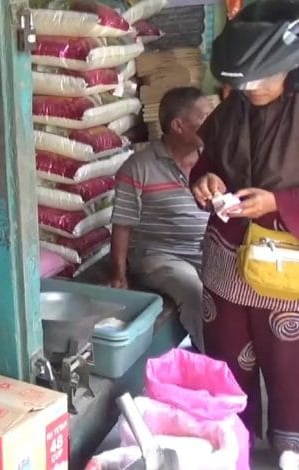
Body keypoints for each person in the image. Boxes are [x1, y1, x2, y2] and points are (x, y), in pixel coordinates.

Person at [189, 0, 299, 456]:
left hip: (286, 270)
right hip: (226, 266)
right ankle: (234, 446)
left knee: (290, 367)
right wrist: (205, 181)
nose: (252, 89)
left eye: (263, 79)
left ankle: (290, 446)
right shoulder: (230, 111)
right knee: (229, 362)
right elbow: (207, 164)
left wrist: (278, 202)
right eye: (244, 82)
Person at [109, 87, 213, 352]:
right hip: (159, 256)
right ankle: (215, 362)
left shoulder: (212, 160)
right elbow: (122, 224)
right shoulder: (138, 167)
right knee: (193, 290)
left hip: (204, 251)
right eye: (204, 117)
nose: (213, 123)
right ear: (178, 125)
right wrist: (119, 274)